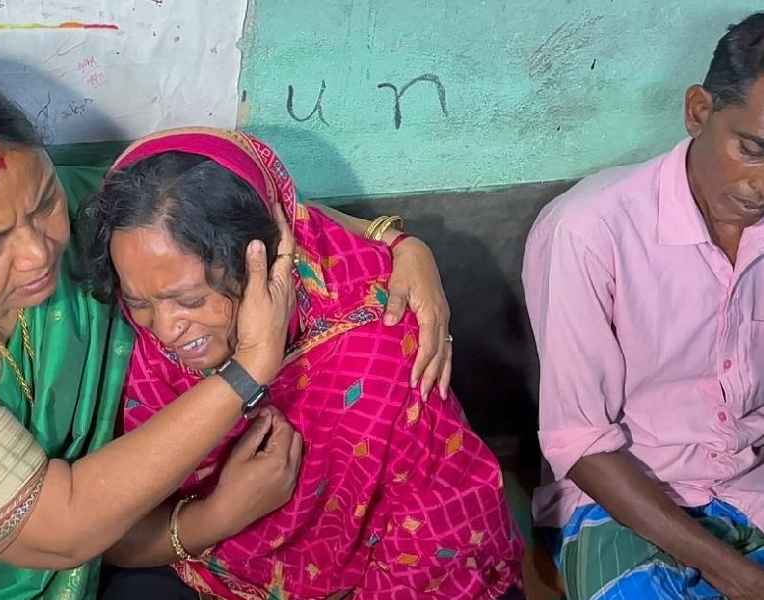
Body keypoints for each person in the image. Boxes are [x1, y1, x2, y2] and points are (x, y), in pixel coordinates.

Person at [0, 57, 453, 599]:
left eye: (44, 202)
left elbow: (230, 212)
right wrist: (247, 371)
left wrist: (396, 244)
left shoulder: (59, 209)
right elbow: (59, 529)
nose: (39, 252)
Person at [82, 127, 524, 600]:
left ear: (266, 260)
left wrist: (403, 243)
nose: (167, 328)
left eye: (190, 300)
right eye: (140, 302)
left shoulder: (377, 331)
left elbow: (432, 522)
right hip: (203, 560)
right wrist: (217, 518)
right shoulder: (125, 346)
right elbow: (99, 527)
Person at [523, 12, 764, 600]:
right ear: (698, 111)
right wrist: (737, 576)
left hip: (749, 486)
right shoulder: (589, 231)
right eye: (754, 149)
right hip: (625, 503)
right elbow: (580, 443)